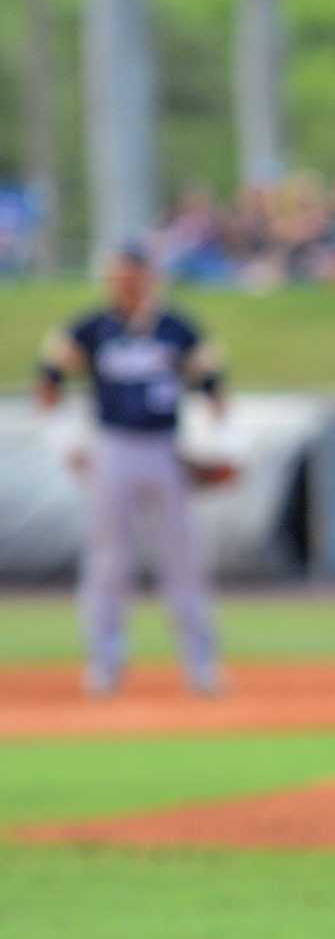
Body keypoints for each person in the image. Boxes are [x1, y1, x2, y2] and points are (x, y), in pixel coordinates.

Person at [36, 241, 228, 696]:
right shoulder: (92, 328)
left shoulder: (176, 328)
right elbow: (47, 382)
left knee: (182, 559)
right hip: (113, 445)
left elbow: (214, 391)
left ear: (150, 277)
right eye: (119, 276)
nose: (126, 284)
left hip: (164, 447)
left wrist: (212, 446)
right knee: (108, 560)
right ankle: (105, 664)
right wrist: (67, 441)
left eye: (133, 275)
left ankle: (201, 665)